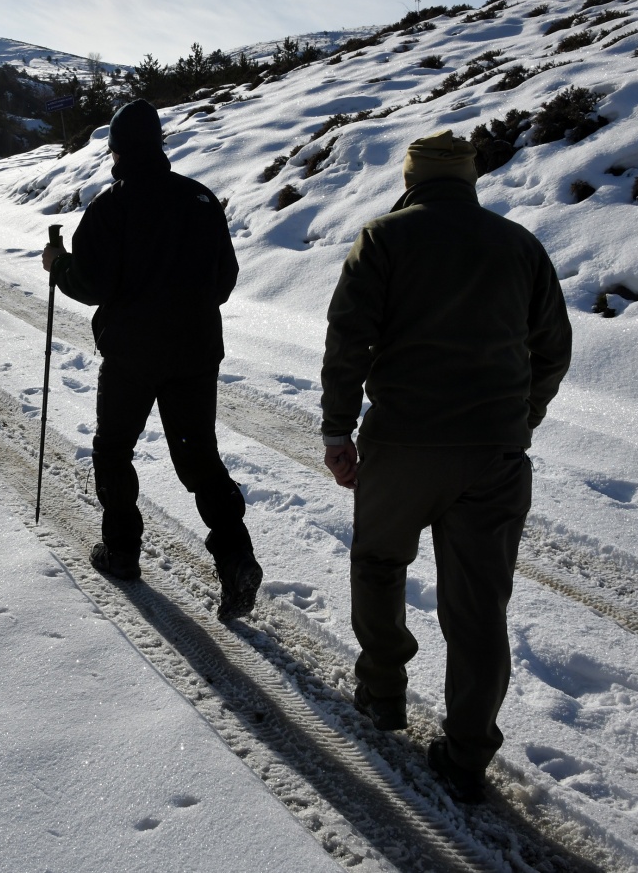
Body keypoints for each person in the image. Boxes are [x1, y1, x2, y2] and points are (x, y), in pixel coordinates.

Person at [320, 127, 571, 803]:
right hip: (494, 454)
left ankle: (382, 693)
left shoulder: (383, 238)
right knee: (479, 607)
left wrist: (338, 428)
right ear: (469, 179)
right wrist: (522, 415)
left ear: (411, 178)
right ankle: (465, 756)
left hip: (402, 445)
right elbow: (554, 349)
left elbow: (349, 338)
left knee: (378, 564)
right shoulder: (519, 245)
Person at [42, 100, 263, 621]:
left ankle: (121, 553)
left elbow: (91, 284)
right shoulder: (201, 200)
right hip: (194, 354)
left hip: (130, 357)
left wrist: (58, 267)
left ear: (118, 150)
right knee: (200, 458)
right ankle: (236, 560)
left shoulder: (109, 208)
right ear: (160, 143)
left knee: (114, 449)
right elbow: (225, 279)